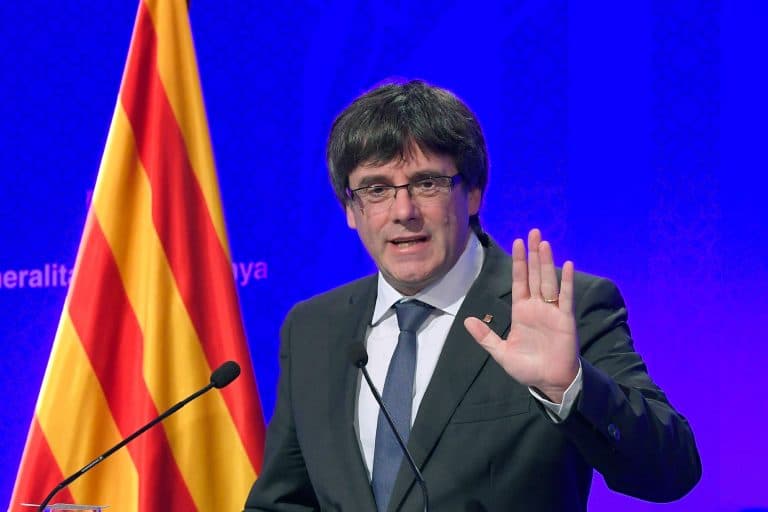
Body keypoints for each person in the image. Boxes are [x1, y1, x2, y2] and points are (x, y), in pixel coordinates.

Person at [243, 80, 701, 511]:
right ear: (350, 208)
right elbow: (283, 501)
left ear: (475, 191)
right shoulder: (314, 328)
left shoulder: (566, 306)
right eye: (376, 189)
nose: (404, 211)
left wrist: (569, 387)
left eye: (427, 183)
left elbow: (672, 470)